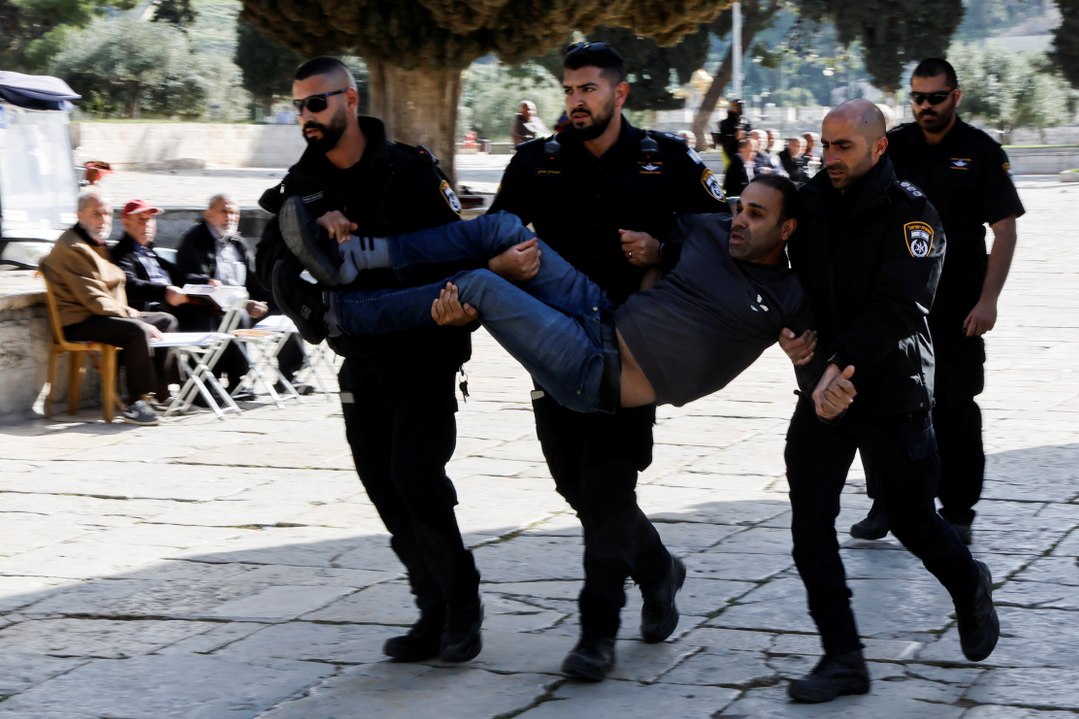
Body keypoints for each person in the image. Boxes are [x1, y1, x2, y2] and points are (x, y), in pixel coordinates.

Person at [482, 40, 731, 681]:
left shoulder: (665, 160)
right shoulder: (536, 163)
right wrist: (501, 264)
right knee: (575, 484)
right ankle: (658, 569)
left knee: (608, 485)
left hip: (631, 351)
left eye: (588, 89)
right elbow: (492, 232)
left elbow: (723, 239)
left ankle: (597, 634)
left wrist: (662, 249)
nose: (576, 101)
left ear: (619, 93)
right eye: (568, 90)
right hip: (553, 345)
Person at [254, 56, 482, 665]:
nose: (306, 115)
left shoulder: (410, 169)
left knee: (417, 477)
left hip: (427, 351)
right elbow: (267, 265)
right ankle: (430, 609)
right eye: (299, 105)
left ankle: (462, 604)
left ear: (349, 101)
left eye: (317, 103)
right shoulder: (299, 186)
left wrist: (460, 307)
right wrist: (303, 223)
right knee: (383, 487)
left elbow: (455, 250)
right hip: (362, 356)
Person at [781, 99, 999, 703]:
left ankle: (967, 582)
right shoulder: (812, 203)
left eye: (843, 146)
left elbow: (902, 306)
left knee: (911, 519)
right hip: (825, 390)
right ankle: (843, 657)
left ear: (878, 148)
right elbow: (770, 262)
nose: (830, 158)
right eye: (825, 146)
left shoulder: (913, 214)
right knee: (808, 525)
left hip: (890, 389)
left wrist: (837, 366)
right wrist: (796, 342)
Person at [274, 175, 807, 414]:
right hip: (602, 313)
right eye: (740, 207)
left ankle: (334, 314)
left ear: (787, 231)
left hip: (597, 374)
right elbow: (670, 220)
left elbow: (823, 351)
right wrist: (657, 250)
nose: (739, 220)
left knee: (481, 285)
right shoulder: (713, 230)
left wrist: (811, 368)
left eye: (755, 215)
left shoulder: (790, 295)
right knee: (503, 227)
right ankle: (355, 257)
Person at [849, 58, 1025, 545]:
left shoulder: (980, 151)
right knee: (884, 403)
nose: (926, 107)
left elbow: (1005, 229)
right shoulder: (897, 146)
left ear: (956, 96)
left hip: (957, 306)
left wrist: (988, 301)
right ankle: (887, 502)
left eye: (936, 97)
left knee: (954, 405)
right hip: (897, 303)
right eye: (918, 98)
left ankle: (958, 509)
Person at [39, 192, 178, 425]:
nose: (103, 219)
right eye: (96, 214)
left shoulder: (95, 243)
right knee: (137, 330)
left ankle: (162, 394)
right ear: (80, 215)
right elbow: (91, 296)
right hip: (79, 320)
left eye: (107, 214)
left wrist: (129, 312)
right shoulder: (73, 246)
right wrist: (129, 313)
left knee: (166, 320)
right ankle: (135, 403)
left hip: (103, 314)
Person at [110, 198, 254, 395]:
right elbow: (130, 284)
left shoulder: (150, 252)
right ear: (126, 223)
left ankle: (225, 378)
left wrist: (205, 281)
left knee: (224, 314)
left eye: (150, 220)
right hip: (153, 307)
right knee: (202, 317)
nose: (147, 225)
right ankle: (198, 387)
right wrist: (164, 292)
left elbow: (179, 275)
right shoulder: (122, 253)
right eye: (141, 220)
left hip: (172, 303)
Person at [175, 193, 312, 395]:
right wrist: (245, 304)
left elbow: (253, 280)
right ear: (208, 214)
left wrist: (277, 297)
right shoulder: (195, 240)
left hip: (241, 303)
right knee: (237, 315)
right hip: (211, 307)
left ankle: (288, 375)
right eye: (224, 211)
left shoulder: (236, 242)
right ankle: (236, 381)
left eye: (233, 212)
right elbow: (199, 284)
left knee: (288, 306)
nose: (230, 217)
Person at [717, 98, 751, 164]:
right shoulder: (725, 123)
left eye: (741, 106)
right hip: (730, 153)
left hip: (744, 154)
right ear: (732, 107)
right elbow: (721, 139)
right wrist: (734, 136)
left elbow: (750, 135)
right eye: (737, 106)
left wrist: (744, 136)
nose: (739, 108)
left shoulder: (746, 122)